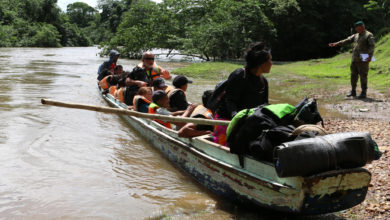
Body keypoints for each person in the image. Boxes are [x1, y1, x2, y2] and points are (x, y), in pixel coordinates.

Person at [223, 42, 271, 120]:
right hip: (229, 118)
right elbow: (230, 100)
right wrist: (235, 116)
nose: (271, 63)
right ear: (260, 63)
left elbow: (264, 104)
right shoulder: (239, 75)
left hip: (249, 119)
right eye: (270, 60)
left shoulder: (263, 81)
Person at [329, 21, 375, 99]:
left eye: (358, 28)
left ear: (362, 27)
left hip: (363, 59)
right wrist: (336, 43)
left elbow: (372, 46)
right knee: (353, 75)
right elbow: (347, 40)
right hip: (355, 58)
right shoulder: (356, 35)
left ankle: (364, 92)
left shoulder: (368, 35)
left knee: (363, 76)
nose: (357, 30)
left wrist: (370, 56)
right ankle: (353, 91)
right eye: (356, 28)